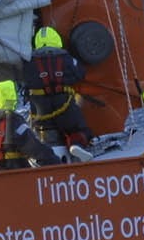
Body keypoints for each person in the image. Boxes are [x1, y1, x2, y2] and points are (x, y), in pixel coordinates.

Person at [19, 27, 95, 162]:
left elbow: (22, 79)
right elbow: (80, 73)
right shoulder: (67, 59)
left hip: (40, 108)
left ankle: (51, 156)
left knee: (46, 131)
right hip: (64, 104)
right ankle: (76, 145)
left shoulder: (29, 62)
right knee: (77, 128)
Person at [0, 80, 56, 173]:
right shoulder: (15, 123)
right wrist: (57, 166)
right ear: (10, 97)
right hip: (17, 177)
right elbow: (39, 152)